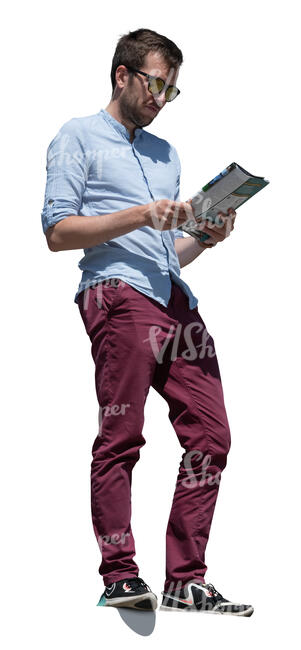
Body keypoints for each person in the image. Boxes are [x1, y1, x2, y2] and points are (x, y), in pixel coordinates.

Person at [41, 27, 253, 616]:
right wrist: (140, 214)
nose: (162, 98)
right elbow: (57, 233)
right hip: (116, 296)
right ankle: (119, 573)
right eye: (157, 83)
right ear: (122, 75)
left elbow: (165, 248)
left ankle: (186, 577)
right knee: (122, 436)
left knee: (212, 436)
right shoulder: (76, 136)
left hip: (172, 295)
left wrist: (204, 240)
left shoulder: (167, 155)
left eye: (172, 90)